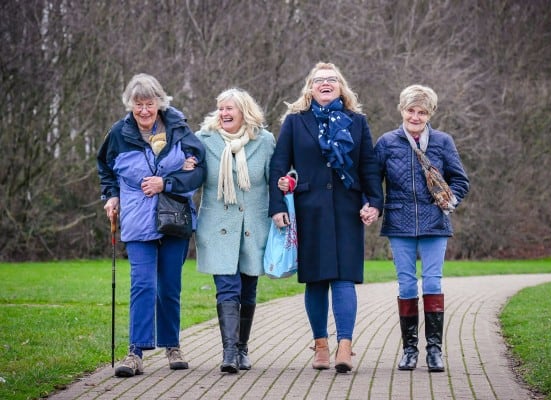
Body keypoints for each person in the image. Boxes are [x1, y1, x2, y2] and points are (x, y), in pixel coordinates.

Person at [269, 62, 383, 373]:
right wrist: (277, 205)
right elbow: (278, 165)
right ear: (309, 87)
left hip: (347, 209)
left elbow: (369, 165)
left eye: (331, 79)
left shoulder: (357, 122)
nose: (325, 83)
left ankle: (344, 346)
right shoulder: (295, 122)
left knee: (345, 278)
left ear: (341, 86)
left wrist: (374, 202)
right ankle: (320, 344)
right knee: (316, 280)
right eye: (319, 80)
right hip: (309, 210)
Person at [97, 73, 206, 377]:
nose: (144, 110)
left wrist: (166, 182)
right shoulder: (118, 133)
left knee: (169, 287)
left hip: (174, 218)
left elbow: (199, 172)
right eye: (138, 104)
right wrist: (111, 195)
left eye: (149, 103)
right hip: (137, 218)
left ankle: (172, 346)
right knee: (142, 284)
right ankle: (136, 352)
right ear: (130, 105)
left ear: (160, 102)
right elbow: (105, 168)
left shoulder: (180, 129)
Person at [374, 84, 469, 372]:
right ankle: (410, 350)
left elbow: (460, 180)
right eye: (411, 110)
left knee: (432, 283)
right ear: (402, 110)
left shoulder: (443, 142)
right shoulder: (386, 142)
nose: (415, 117)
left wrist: (449, 199)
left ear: (430, 114)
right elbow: (372, 182)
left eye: (422, 112)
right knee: (405, 285)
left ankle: (434, 351)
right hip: (399, 222)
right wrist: (370, 206)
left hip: (434, 223)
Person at [194, 88, 275, 373]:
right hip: (218, 227)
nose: (224, 114)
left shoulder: (264, 141)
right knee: (227, 287)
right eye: (221, 109)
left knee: (248, 288)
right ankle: (229, 353)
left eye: (230, 108)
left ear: (245, 111)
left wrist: (288, 186)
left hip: (254, 226)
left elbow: (274, 179)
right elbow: (193, 177)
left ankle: (242, 348)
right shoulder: (203, 141)